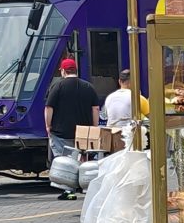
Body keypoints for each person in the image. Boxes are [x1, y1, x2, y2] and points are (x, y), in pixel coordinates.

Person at [44, 57, 99, 198]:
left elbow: (49, 108)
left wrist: (48, 125)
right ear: (75, 70)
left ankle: (69, 191)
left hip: (61, 132)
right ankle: (85, 187)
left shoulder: (57, 87)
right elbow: (95, 109)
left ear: (63, 71)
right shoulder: (88, 87)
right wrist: (94, 127)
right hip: (83, 132)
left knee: (65, 161)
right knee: (83, 159)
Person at [101, 69, 149, 146]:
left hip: (111, 140)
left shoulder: (109, 97)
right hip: (129, 139)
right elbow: (152, 118)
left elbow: (106, 116)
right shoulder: (137, 97)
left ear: (119, 81)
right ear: (134, 82)